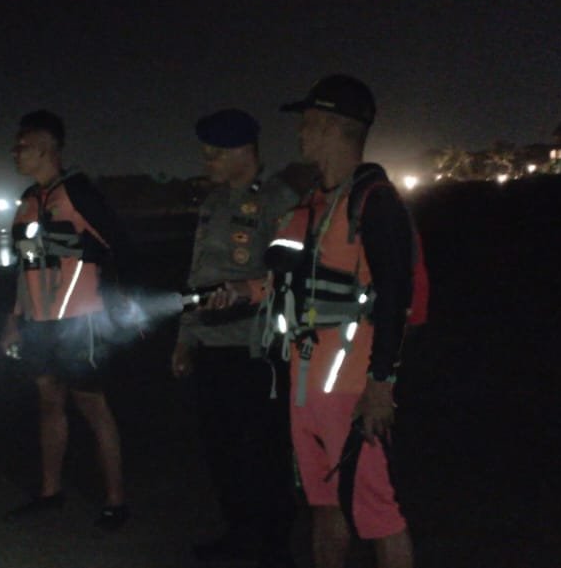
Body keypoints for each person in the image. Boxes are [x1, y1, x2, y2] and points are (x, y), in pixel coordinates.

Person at [214, 75, 417, 567]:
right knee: (322, 504)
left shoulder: (374, 201)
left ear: (330, 127)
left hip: (350, 388)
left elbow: (395, 297)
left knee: (378, 512)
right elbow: (290, 282)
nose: (300, 134)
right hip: (303, 384)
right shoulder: (312, 204)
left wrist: (381, 385)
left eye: (307, 124)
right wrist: (244, 291)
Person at [171, 109, 300, 567]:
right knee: (221, 451)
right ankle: (239, 534)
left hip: (256, 350)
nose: (206, 161)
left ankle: (275, 548)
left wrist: (246, 292)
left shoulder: (279, 201)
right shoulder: (213, 203)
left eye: (214, 153)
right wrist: (185, 339)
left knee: (265, 453)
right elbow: (197, 276)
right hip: (212, 348)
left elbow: (291, 277)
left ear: (243, 151)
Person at [0, 110, 131, 530]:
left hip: (79, 321)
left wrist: (117, 299)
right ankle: (50, 491)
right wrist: (14, 319)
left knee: (93, 405)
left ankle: (115, 501)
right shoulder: (27, 201)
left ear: (45, 149)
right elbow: (23, 267)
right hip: (38, 323)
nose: (14, 153)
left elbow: (119, 245)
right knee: (49, 401)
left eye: (22, 146)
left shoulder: (78, 192)